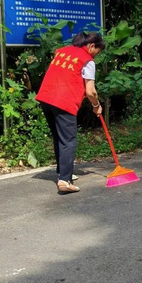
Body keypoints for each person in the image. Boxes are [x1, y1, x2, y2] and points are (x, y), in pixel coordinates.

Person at [36, 32, 105, 194]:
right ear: (92, 46)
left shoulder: (63, 51)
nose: (97, 55)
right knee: (69, 139)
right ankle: (64, 181)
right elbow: (90, 92)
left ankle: (62, 172)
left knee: (59, 136)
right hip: (63, 100)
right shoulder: (87, 60)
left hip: (46, 97)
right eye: (98, 51)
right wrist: (96, 105)